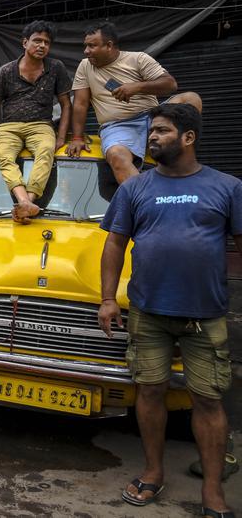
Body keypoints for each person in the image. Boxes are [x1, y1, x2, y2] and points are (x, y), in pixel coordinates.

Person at [98, 104, 241, 516]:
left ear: (188, 137)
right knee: (150, 391)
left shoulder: (227, 187)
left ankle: (212, 492)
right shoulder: (135, 188)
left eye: (161, 131)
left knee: (208, 400)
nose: (152, 138)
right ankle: (153, 471)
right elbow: (114, 244)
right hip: (147, 312)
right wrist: (108, 299)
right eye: (151, 131)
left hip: (205, 315)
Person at [67, 22, 201, 184]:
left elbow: (170, 84)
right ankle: (147, 202)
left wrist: (137, 87)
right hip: (117, 126)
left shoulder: (138, 58)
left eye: (92, 46)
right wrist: (77, 138)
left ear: (109, 45)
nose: (86, 51)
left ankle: (181, 154)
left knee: (191, 98)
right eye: (85, 46)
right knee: (116, 154)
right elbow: (80, 104)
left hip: (154, 117)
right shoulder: (85, 66)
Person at [0, 20, 72, 222]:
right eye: (37, 41)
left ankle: (28, 201)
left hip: (41, 125)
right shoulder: (6, 71)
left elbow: (66, 104)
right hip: (9, 127)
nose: (42, 46)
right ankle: (24, 200)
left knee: (45, 153)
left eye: (46, 42)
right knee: (4, 156)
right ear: (25, 43)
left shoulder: (56, 68)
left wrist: (61, 137)